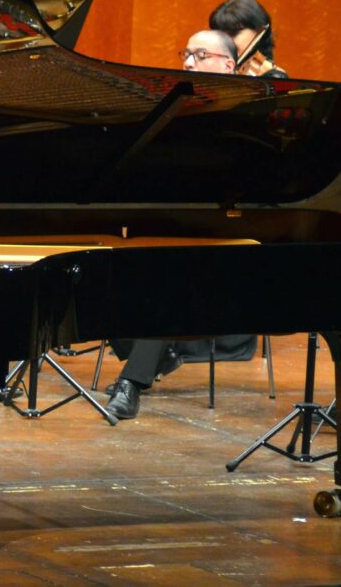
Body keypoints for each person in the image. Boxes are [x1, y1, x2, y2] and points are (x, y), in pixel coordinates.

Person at [103, 28, 244, 419]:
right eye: (186, 54)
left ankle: (131, 384)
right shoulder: (176, 110)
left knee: (166, 273)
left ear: (227, 65)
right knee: (99, 266)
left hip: (228, 241)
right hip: (174, 229)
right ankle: (153, 355)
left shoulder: (245, 112)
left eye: (200, 55)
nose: (187, 62)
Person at [210, 0, 288, 78]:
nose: (226, 42)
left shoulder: (273, 77)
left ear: (258, 30)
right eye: (222, 36)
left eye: (234, 33)